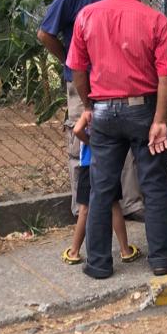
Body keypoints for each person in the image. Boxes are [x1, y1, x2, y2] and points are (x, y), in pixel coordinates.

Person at [67, 0, 167, 279]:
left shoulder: (88, 15)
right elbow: (165, 75)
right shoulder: (155, 20)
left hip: (102, 113)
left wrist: (88, 107)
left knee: (102, 188)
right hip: (143, 110)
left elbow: (77, 68)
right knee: (155, 184)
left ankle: (99, 264)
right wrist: (159, 120)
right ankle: (161, 259)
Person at [38, 0, 144, 222]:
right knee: (81, 142)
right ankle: (82, 208)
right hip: (82, 82)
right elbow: (45, 34)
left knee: (127, 143)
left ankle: (130, 203)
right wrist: (70, 61)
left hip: (114, 81)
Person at [62, 113, 139, 266]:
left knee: (84, 208)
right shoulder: (108, 111)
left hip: (88, 164)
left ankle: (74, 252)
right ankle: (125, 251)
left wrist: (90, 143)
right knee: (114, 205)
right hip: (108, 162)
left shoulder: (89, 112)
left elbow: (77, 130)